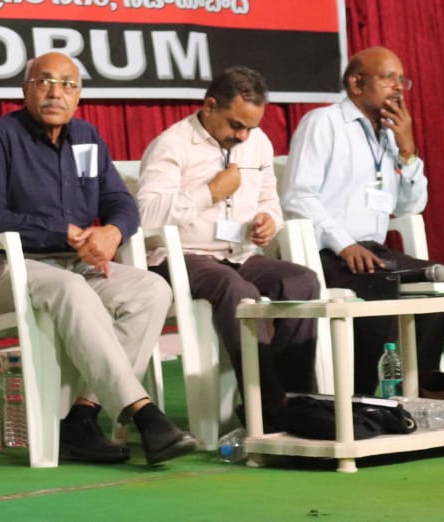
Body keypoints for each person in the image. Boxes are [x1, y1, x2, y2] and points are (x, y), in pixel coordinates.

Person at [0, 52, 198, 467]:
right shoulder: (0, 136)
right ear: (25, 90)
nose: (56, 92)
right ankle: (145, 414)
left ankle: (82, 417)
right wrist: (60, 232)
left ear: (79, 95)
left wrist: (113, 232)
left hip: (67, 265)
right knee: (73, 287)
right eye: (44, 82)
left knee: (151, 289)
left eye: (67, 84)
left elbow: (121, 203)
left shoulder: (87, 137)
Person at [135, 66, 319, 428]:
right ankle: (267, 405)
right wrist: (210, 193)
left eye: (250, 126)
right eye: (235, 124)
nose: (242, 134)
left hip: (239, 252)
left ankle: (297, 399)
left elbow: (270, 200)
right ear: (209, 106)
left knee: (303, 282)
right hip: (181, 256)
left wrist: (268, 221)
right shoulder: (172, 145)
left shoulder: (258, 143)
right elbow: (146, 216)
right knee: (237, 290)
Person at [282, 46, 444, 394]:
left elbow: (411, 205)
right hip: (329, 253)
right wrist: (344, 242)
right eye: (388, 77)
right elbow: (298, 195)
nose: (399, 87)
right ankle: (361, 398)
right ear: (356, 83)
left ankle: (422, 390)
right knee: (380, 287)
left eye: (402, 79)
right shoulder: (324, 123)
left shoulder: (389, 135)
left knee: (443, 284)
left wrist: (408, 151)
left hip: (374, 253)